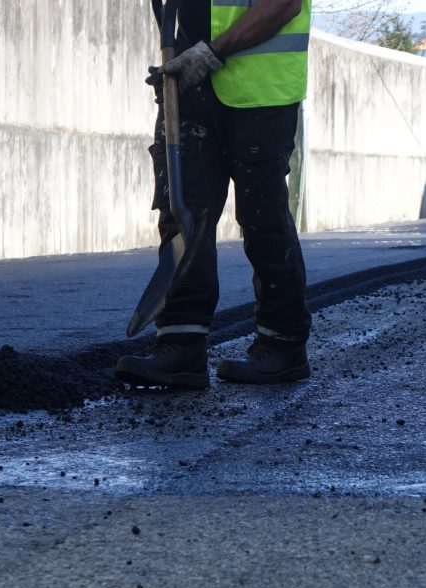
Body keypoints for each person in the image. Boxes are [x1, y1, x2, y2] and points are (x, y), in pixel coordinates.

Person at [115, 0, 313, 389]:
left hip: (260, 92)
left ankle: (283, 343)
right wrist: (184, 60)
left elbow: (284, 4)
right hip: (190, 84)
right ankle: (181, 343)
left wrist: (211, 53)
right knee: (183, 210)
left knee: (263, 217)